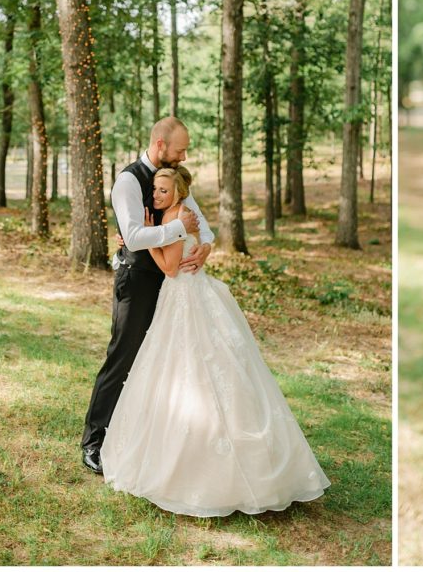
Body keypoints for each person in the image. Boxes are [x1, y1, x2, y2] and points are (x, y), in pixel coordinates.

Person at [101, 166, 330, 516]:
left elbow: (170, 269)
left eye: (164, 190)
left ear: (178, 192)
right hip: (186, 295)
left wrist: (149, 235)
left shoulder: (179, 218)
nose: (157, 195)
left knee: (193, 366)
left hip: (183, 295)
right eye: (155, 190)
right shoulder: (175, 216)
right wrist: (147, 234)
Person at [81, 117, 213, 475]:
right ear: (159, 145)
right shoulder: (128, 181)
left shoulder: (175, 178)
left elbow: (202, 224)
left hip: (174, 287)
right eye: (180, 149)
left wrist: (206, 248)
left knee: (162, 362)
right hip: (137, 281)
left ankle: (145, 437)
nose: (184, 155)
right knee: (122, 359)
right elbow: (134, 236)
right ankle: (94, 441)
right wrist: (176, 229)